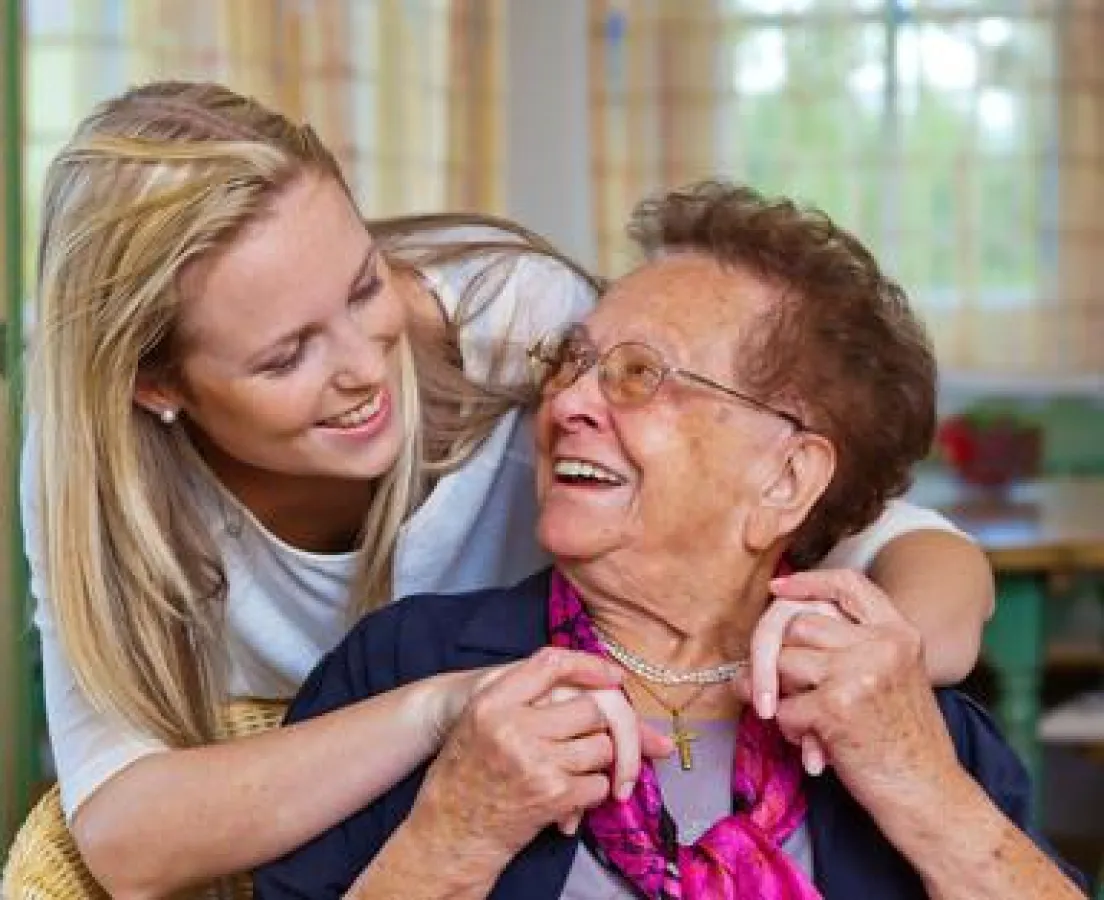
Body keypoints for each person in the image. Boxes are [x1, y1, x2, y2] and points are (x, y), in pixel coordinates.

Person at [24, 81, 992, 897]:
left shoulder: (515, 321)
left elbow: (809, 500)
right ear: (155, 386)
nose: (364, 367)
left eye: (364, 286)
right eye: (285, 356)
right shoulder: (102, 475)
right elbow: (124, 836)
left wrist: (874, 677)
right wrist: (443, 718)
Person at [253, 181, 1086, 899]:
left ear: (786, 478)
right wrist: (453, 836)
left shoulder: (899, 714)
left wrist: (926, 790)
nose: (566, 404)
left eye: (639, 375)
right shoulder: (402, 669)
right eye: (570, 362)